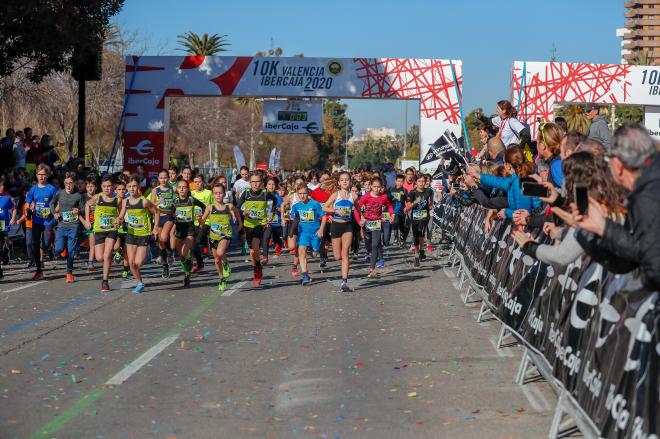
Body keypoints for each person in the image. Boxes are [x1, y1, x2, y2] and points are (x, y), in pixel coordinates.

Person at [572, 124, 659, 291]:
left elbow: (654, 272)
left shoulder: (647, 198)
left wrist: (604, 228)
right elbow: (636, 254)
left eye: (608, 159)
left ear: (618, 165)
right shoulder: (648, 185)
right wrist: (602, 229)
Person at [466, 146, 541, 219]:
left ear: (508, 166)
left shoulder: (519, 184)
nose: (503, 164)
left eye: (504, 162)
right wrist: (478, 175)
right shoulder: (517, 177)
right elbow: (498, 181)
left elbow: (522, 214)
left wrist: (506, 212)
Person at [237, 172, 277, 287]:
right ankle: (256, 268)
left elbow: (274, 201)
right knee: (252, 251)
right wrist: (243, 212)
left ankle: (257, 268)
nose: (255, 184)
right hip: (248, 225)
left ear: (261, 183)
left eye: (257, 182)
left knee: (255, 245)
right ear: (250, 183)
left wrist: (272, 213)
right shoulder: (246, 193)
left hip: (260, 224)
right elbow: (237, 208)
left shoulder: (265, 194)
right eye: (253, 182)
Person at [117, 176, 156, 293]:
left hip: (143, 234)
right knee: (131, 262)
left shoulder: (144, 201)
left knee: (138, 262)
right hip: (131, 234)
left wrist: (156, 229)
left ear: (138, 187)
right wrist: (118, 220)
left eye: (134, 186)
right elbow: (122, 215)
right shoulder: (126, 201)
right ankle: (140, 283)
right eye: (129, 186)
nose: (132, 189)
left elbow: (156, 212)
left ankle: (147, 253)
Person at [202, 183, 242, 292]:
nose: (218, 195)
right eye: (215, 193)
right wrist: (199, 219)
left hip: (225, 235)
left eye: (220, 193)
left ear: (224, 193)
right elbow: (203, 220)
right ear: (213, 194)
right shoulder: (210, 207)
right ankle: (221, 278)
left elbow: (237, 212)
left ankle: (226, 263)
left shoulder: (229, 206)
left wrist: (240, 223)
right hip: (213, 236)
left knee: (220, 253)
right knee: (216, 259)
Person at [85, 175, 119, 292]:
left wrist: (119, 219)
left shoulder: (117, 199)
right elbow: (87, 205)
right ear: (101, 187)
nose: (107, 188)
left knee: (107, 254)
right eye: (104, 186)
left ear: (113, 187)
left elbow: (123, 211)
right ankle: (110, 259)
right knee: (99, 257)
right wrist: (88, 221)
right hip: (99, 230)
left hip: (111, 230)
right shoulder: (97, 197)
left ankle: (105, 281)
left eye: (109, 186)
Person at [323, 171, 356, 292]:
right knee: (337, 256)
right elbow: (324, 207)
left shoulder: (354, 196)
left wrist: (362, 218)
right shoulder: (335, 195)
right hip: (336, 226)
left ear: (350, 181)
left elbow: (358, 210)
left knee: (345, 253)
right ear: (339, 182)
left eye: (347, 179)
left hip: (348, 226)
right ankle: (346, 262)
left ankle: (344, 281)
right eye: (342, 179)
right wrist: (335, 211)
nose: (345, 181)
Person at [355, 176, 394, 278]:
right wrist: (360, 221)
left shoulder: (384, 197)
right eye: (374, 186)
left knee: (375, 245)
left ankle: (372, 269)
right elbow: (356, 209)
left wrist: (392, 214)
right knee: (368, 245)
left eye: (378, 187)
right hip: (366, 223)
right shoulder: (365, 197)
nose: (376, 189)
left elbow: (389, 206)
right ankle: (369, 254)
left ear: (381, 187)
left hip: (377, 222)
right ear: (371, 186)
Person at [26, 164, 58, 281]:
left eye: (43, 174)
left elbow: (57, 202)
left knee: (45, 243)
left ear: (48, 175)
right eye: (39, 174)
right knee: (35, 244)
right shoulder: (33, 189)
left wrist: (53, 211)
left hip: (48, 221)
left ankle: (47, 245)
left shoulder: (51, 188)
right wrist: (29, 207)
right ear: (36, 175)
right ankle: (39, 270)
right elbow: (28, 200)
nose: (41, 177)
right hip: (36, 220)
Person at [290, 183, 326, 286]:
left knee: (314, 255)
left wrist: (321, 229)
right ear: (297, 194)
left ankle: (313, 250)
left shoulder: (314, 204)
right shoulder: (296, 206)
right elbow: (295, 218)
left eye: (304, 193)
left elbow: (323, 216)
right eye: (300, 193)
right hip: (303, 233)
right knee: (301, 252)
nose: (302, 196)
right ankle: (305, 276)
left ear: (308, 193)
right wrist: (292, 231)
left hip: (315, 233)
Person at [172, 180, 205, 287]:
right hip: (179, 231)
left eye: (184, 187)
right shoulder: (174, 201)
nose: (182, 189)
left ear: (188, 189)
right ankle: (187, 272)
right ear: (177, 189)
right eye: (180, 187)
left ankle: (187, 272)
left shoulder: (191, 200)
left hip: (190, 231)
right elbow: (169, 213)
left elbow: (204, 206)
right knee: (181, 256)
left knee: (183, 251)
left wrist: (200, 215)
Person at [53, 172, 84, 283]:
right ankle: (61, 249)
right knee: (58, 249)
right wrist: (54, 214)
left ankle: (69, 273)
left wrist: (79, 210)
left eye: (71, 183)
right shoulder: (59, 193)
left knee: (71, 251)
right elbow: (51, 204)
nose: (69, 185)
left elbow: (83, 209)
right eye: (66, 183)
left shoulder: (78, 195)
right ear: (64, 183)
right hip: (61, 225)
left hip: (73, 226)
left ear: (74, 183)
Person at [151, 169, 176, 278]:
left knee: (165, 237)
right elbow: (151, 207)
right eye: (161, 178)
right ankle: (165, 266)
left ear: (168, 178)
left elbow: (178, 201)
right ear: (158, 179)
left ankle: (170, 251)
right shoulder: (155, 191)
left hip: (169, 216)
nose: (163, 180)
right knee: (161, 241)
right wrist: (158, 202)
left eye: (165, 177)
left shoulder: (173, 189)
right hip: (158, 217)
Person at [405, 174, 434, 266]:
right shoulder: (412, 193)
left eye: (423, 181)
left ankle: (421, 250)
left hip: (425, 217)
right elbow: (408, 208)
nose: (421, 183)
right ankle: (417, 255)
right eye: (419, 181)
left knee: (421, 232)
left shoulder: (429, 191)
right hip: (415, 218)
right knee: (416, 237)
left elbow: (431, 197)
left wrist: (431, 204)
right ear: (416, 182)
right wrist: (415, 202)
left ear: (426, 182)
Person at [191, 174, 213, 272]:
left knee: (197, 242)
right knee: (193, 244)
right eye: (195, 182)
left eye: (199, 182)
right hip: (194, 221)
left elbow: (213, 206)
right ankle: (200, 263)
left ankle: (198, 262)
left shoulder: (208, 193)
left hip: (206, 221)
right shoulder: (191, 194)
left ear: (203, 182)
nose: (197, 184)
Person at [261, 177, 284, 263]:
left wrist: (278, 209)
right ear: (266, 186)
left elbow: (283, 208)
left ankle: (279, 242)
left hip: (276, 222)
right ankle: (265, 257)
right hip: (267, 221)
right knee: (266, 237)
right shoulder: (262, 196)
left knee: (276, 238)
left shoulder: (278, 197)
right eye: (269, 184)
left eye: (273, 184)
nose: (271, 186)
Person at [537, 123, 564, 188]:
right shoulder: (555, 162)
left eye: (537, 142)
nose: (536, 145)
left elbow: (571, 193)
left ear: (543, 145)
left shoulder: (556, 166)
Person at [0, 177, 17, 278]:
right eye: (0, 186)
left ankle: (5, 251)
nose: (2, 187)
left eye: (2, 185)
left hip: (3, 226)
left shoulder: (6, 199)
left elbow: (14, 207)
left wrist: (13, 218)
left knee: (0, 248)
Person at [389, 174, 408, 246]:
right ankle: (396, 238)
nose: (399, 183)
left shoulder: (404, 190)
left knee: (401, 224)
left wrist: (403, 195)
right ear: (395, 181)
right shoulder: (391, 189)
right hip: (393, 210)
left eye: (401, 181)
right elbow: (388, 200)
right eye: (398, 181)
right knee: (395, 222)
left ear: (403, 182)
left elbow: (408, 200)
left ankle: (402, 238)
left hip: (402, 210)